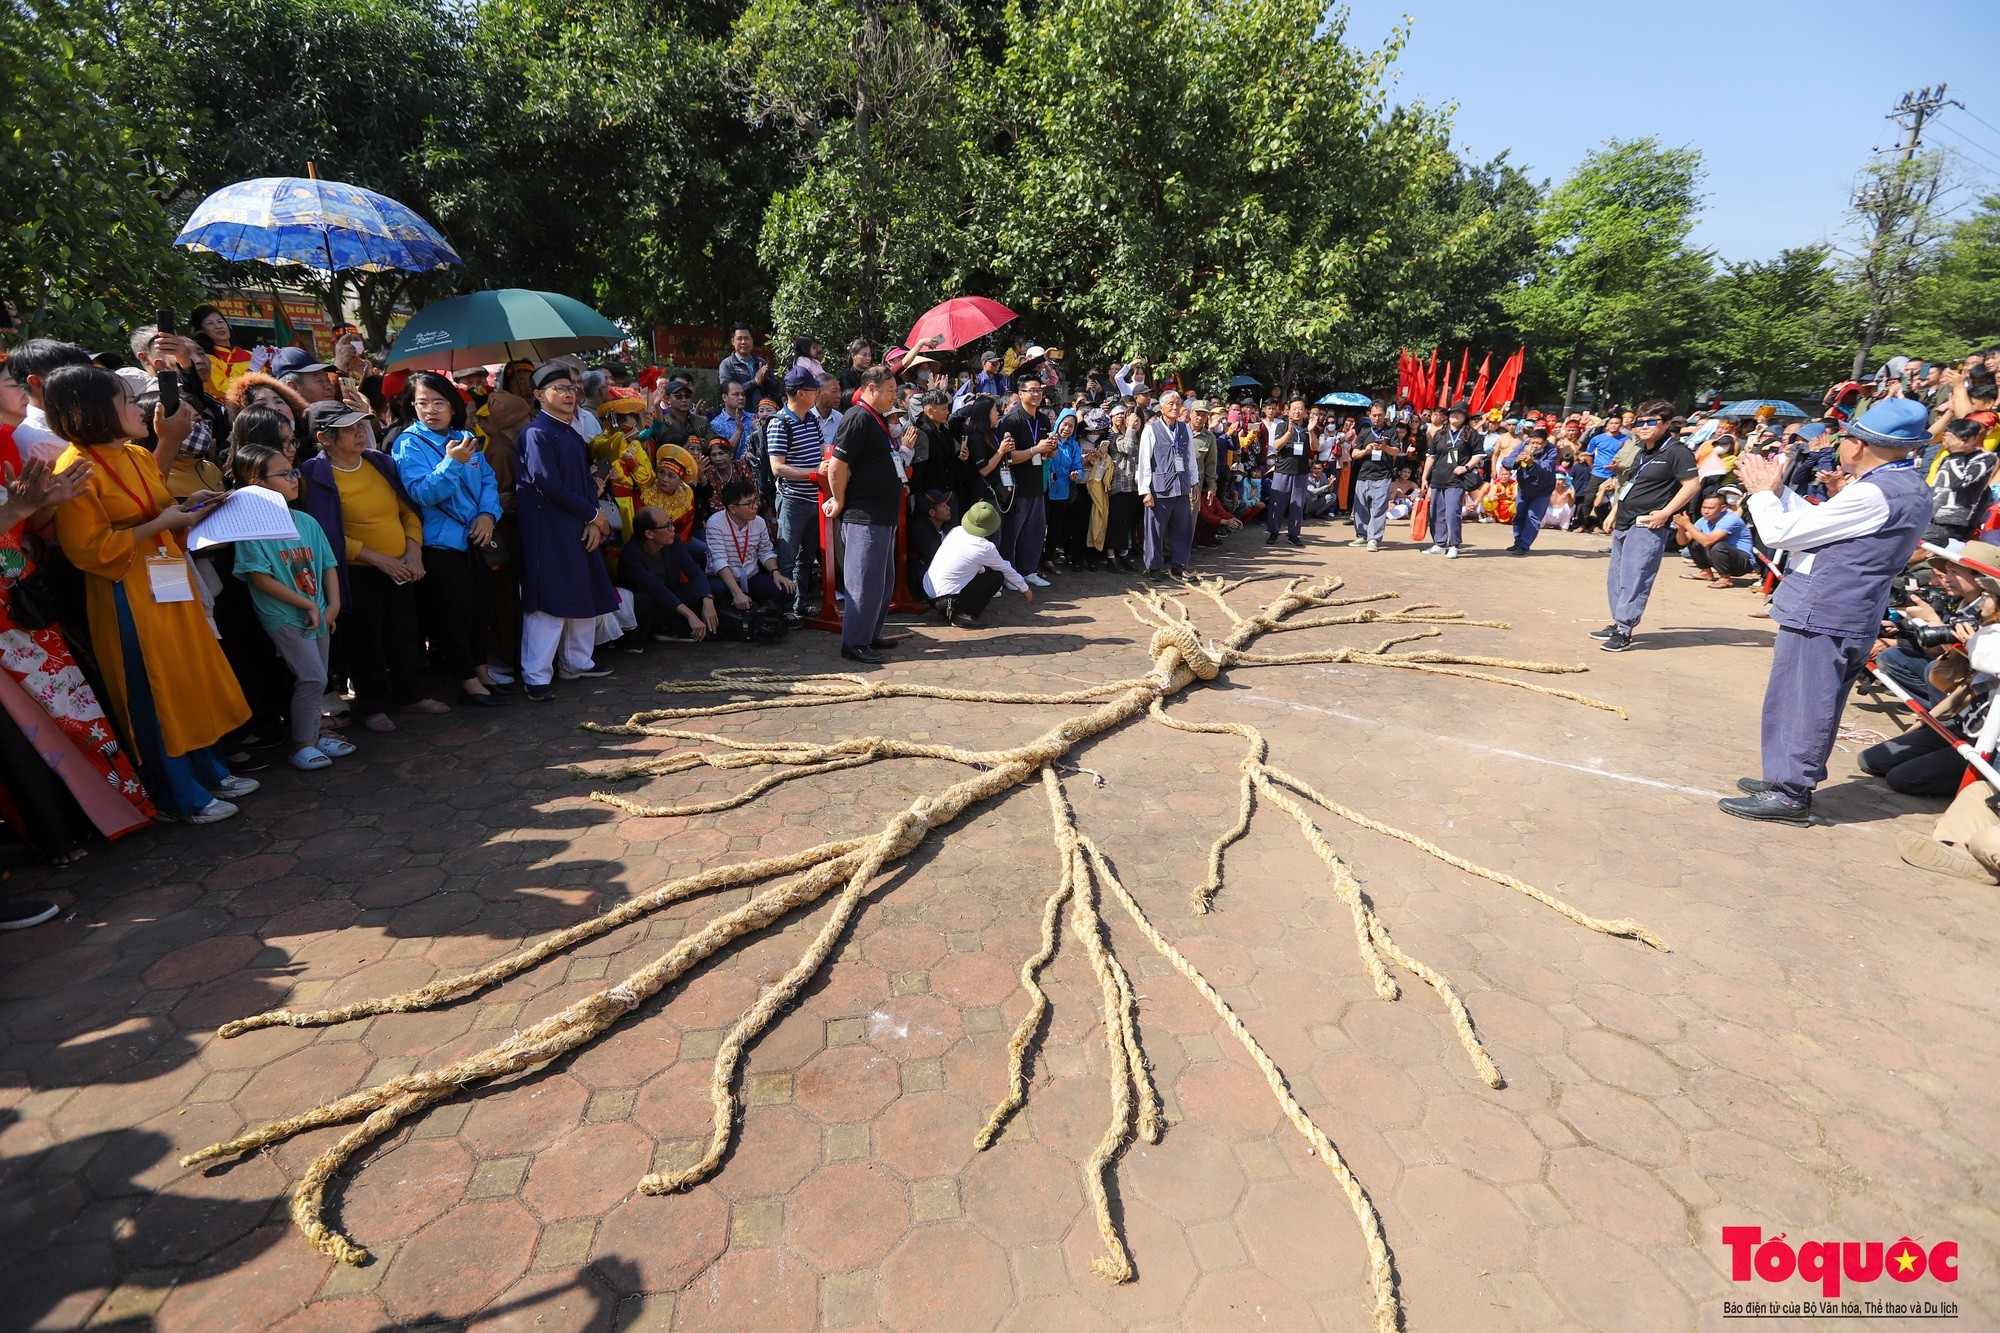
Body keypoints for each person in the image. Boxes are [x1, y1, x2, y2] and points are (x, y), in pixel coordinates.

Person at [47, 365, 256, 824]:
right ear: (91, 411)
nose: (140, 409)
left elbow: (161, 513)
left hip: (168, 581)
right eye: (126, 400)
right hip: (127, 594)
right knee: (155, 689)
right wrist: (165, 522)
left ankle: (211, 771)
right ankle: (180, 796)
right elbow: (87, 551)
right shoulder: (75, 468)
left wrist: (190, 510)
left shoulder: (137, 456)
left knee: (189, 675)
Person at [1720, 398, 1937, 825]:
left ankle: (1789, 792)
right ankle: (1788, 777)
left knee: (1802, 699)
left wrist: (1763, 495)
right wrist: (1780, 492)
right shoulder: (1903, 483)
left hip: (1828, 605)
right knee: (1809, 697)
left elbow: (1782, 534)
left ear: (1856, 446)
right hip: (1848, 606)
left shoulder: (1876, 490)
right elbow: (1824, 525)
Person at [0, 443, 154, 875]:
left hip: (30, 617)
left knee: (79, 719)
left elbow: (26, 531)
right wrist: (18, 511)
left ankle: (112, 811)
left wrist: (45, 507)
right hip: (5, 635)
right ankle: (57, 835)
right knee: (24, 742)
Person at [296, 400, 452, 731]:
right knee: (365, 642)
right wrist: (379, 559)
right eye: (349, 429)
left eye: (360, 426)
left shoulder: (379, 462)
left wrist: (413, 551)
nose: (359, 433)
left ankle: (409, 696)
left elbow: (407, 511)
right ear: (324, 438)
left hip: (400, 567)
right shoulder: (314, 475)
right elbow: (325, 535)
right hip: (357, 573)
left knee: (405, 634)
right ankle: (372, 706)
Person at [227, 442, 359, 772]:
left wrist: (332, 606)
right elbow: (260, 579)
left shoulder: (306, 521)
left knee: (318, 676)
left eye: (293, 470)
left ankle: (313, 735)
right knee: (312, 677)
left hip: (317, 611)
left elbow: (328, 564)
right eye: (284, 474)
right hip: (284, 614)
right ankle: (302, 743)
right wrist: (307, 604)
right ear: (256, 482)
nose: (293, 478)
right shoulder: (253, 529)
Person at [389, 371, 507, 708]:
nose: (431, 410)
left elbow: (487, 481)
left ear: (453, 406)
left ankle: (482, 671)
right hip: (441, 545)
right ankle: (466, 681)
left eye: (438, 402)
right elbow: (423, 492)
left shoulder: (465, 436)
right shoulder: (408, 442)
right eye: (422, 403)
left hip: (477, 538)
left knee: (479, 610)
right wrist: (450, 464)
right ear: (412, 407)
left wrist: (488, 514)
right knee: (453, 617)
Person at [515, 362, 618, 701]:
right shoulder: (536, 434)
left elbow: (586, 482)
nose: (568, 393)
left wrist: (594, 519)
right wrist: (592, 513)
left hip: (579, 525)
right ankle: (536, 676)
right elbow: (547, 484)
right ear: (538, 395)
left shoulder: (572, 433)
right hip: (549, 531)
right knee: (549, 603)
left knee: (583, 593)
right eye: (558, 388)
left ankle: (577, 662)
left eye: (571, 388)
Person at [1595, 400, 1700, 653]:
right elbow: (1632, 483)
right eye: (1640, 422)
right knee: (1617, 576)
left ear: (1665, 424)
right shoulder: (1643, 450)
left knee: (1636, 577)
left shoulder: (1677, 451)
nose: (1643, 426)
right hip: (1625, 519)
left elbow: (1692, 485)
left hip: (1648, 524)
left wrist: (1665, 513)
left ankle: (1625, 628)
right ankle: (1617, 621)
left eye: (1651, 422)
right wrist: (1614, 511)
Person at [825, 367, 904, 664]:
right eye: (890, 391)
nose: (894, 396)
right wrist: (840, 500)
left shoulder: (877, 420)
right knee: (863, 581)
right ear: (872, 388)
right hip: (864, 515)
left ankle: (870, 634)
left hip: (883, 515)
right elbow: (837, 466)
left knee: (882, 581)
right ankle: (854, 642)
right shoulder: (857, 417)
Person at [765, 366, 827, 622]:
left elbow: (823, 452)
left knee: (807, 557)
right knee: (788, 557)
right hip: (793, 501)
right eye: (813, 390)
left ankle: (800, 605)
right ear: (801, 393)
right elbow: (777, 467)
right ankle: (785, 608)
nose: (817, 393)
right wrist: (814, 472)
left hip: (815, 499)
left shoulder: (812, 419)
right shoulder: (779, 423)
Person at [925, 500, 1031, 628]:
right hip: (948, 600)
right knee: (997, 576)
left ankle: (950, 611)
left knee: (981, 573)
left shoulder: (956, 531)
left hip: (929, 595)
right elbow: (1005, 569)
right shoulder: (985, 547)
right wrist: (1025, 588)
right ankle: (963, 615)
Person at [620, 506, 718, 642]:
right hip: (648, 604)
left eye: (671, 523)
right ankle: (653, 632)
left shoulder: (673, 542)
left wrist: (707, 599)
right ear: (649, 534)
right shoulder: (630, 554)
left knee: (705, 589)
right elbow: (653, 587)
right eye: (667, 526)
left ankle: (674, 627)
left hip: (670, 596)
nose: (673, 529)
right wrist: (690, 614)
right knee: (644, 598)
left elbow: (694, 571)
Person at [997, 377, 1053, 586]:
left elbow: (1050, 455)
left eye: (1039, 390)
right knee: (1012, 533)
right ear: (1020, 393)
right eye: (1032, 390)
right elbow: (1007, 458)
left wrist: (1051, 447)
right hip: (1016, 486)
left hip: (1037, 484)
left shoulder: (1044, 419)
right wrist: (1035, 450)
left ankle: (1028, 570)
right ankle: (1008, 574)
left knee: (1035, 531)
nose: (1037, 394)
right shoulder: (1011, 421)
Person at [1138, 389, 1198, 581]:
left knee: (1182, 528)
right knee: (1155, 529)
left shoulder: (1185, 428)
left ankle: (1179, 566)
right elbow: (1144, 461)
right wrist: (1145, 490)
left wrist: (1195, 482)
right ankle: (1153, 567)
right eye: (1170, 404)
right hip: (1159, 488)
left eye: (1177, 403)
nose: (1174, 407)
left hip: (1181, 486)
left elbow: (1190, 459)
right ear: (1161, 408)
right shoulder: (1151, 429)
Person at [707, 479, 793, 611]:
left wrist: (776, 573)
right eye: (749, 503)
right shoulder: (715, 523)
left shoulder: (758, 521)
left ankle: (760, 609)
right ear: (732, 508)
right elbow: (719, 561)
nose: (755, 506)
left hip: (751, 576)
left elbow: (765, 551)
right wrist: (737, 593)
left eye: (755, 501)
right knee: (717, 591)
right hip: (725, 579)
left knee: (786, 589)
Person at [1422, 402, 1482, 558]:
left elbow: (1479, 454)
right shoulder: (1440, 434)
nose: (1455, 416)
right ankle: (1439, 544)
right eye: (1453, 413)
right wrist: (1424, 477)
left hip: (1456, 480)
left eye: (1459, 413)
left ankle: (1454, 544)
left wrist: (1466, 467)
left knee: (1452, 513)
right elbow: (1431, 457)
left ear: (1465, 417)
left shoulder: (1470, 434)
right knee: (1436, 513)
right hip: (1437, 478)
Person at [1925, 418, 1995, 544]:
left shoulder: (1985, 458)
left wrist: (1957, 454)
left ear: (1974, 439)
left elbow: (1960, 482)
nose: (1957, 444)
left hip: (1955, 524)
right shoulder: (1948, 458)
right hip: (1931, 518)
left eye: (1964, 440)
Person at [1348, 401, 1401, 551]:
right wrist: (1366, 451)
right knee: (1361, 507)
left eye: (1380, 415)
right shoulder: (1364, 432)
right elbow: (1354, 453)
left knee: (1378, 508)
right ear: (1369, 415)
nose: (1377, 418)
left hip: (1383, 475)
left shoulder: (1391, 431)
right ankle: (1362, 536)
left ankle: (1374, 539)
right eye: (1374, 415)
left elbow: (1396, 451)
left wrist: (1385, 447)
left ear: (1385, 415)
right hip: (1364, 474)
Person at [1674, 493, 1756, 588]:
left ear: (1723, 508)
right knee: (1694, 539)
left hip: (1742, 563)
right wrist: (1681, 528)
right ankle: (1706, 572)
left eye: (1710, 508)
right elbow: (1683, 542)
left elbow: (1707, 542)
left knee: (1718, 546)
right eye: (1703, 507)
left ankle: (1725, 578)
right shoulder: (1703, 520)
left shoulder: (1730, 519)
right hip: (1719, 558)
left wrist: (1688, 525)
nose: (1706, 511)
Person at [1500, 425, 1560, 555]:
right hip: (1524, 488)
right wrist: (1516, 460)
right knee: (1519, 516)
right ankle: (1518, 541)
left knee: (1533, 517)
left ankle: (1524, 545)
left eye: (1539, 443)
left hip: (1542, 490)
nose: (1535, 446)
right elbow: (1506, 461)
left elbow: (1546, 469)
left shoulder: (1552, 451)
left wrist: (1532, 463)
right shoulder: (1524, 446)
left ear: (1545, 442)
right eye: (1533, 442)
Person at [1264, 396, 1307, 547]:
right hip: (1282, 469)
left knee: (1297, 505)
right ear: (1288, 411)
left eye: (1300, 408)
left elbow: (1315, 448)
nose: (1297, 411)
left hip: (1301, 471)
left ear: (1305, 411)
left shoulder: (1308, 427)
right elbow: (1276, 446)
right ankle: (1273, 532)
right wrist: (1288, 433)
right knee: (1278, 503)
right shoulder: (1281, 426)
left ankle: (1293, 534)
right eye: (1294, 408)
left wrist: (1313, 431)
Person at [190, 304, 252, 402]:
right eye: (210, 323)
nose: (218, 326)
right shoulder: (206, 359)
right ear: (201, 331)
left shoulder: (251, 355)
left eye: (220, 321)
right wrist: (252, 371)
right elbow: (224, 389)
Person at [906, 488, 954, 604]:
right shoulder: (919, 530)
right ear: (932, 512)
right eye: (943, 506)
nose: (948, 508)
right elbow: (938, 556)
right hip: (924, 577)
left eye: (947, 504)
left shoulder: (947, 526)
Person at [718, 324, 772, 413]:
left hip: (763, 415)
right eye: (739, 339)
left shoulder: (761, 363)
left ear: (752, 341)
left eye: (747, 338)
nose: (743, 342)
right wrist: (755, 382)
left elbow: (776, 390)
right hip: (739, 416)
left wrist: (765, 380)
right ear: (732, 341)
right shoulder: (727, 365)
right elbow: (728, 392)